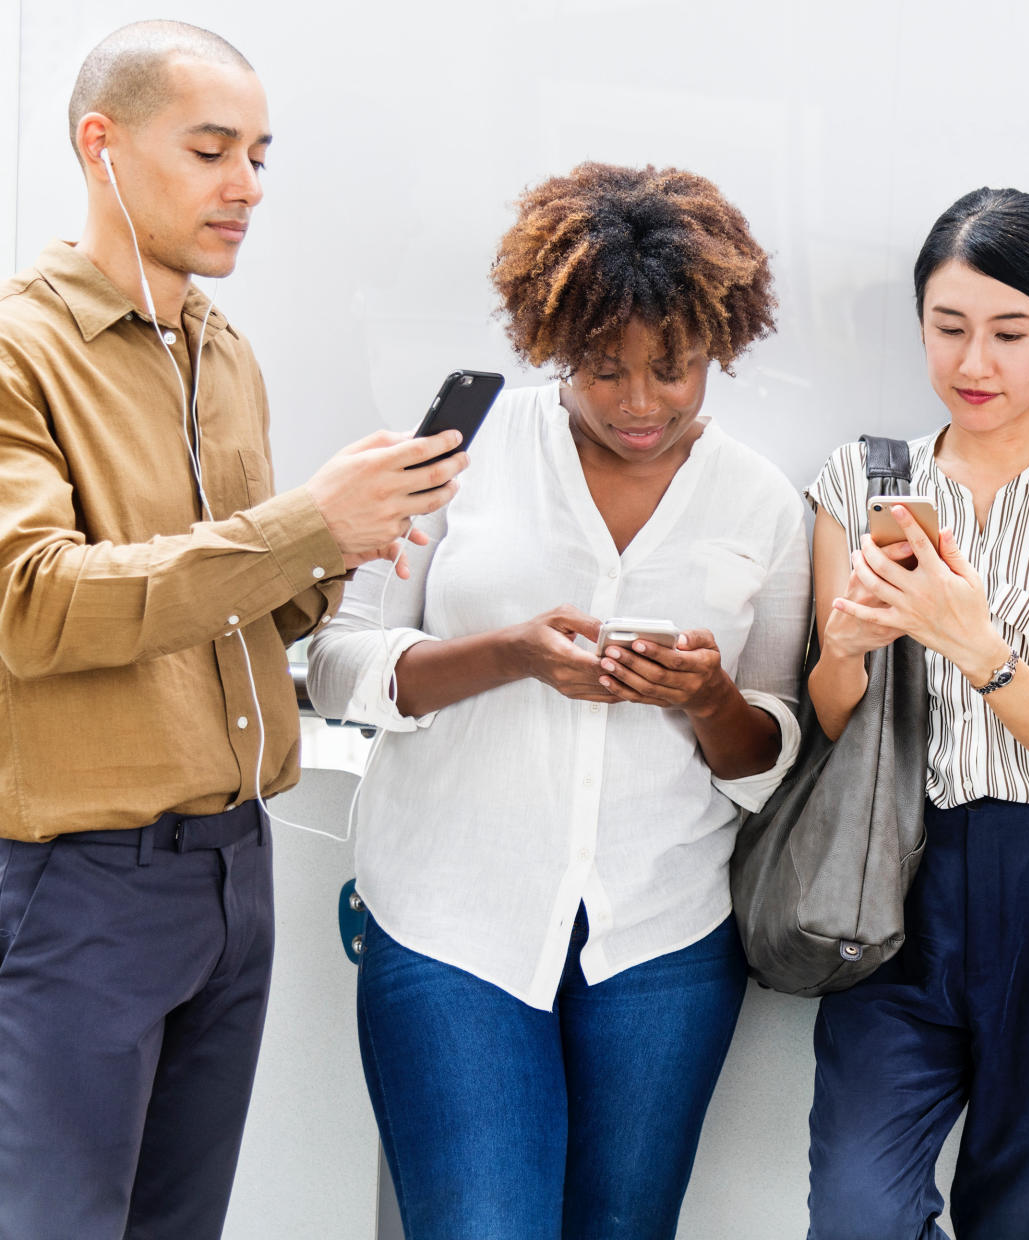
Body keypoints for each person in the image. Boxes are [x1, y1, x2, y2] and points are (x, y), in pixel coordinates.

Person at [0, 21, 466, 1239]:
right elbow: (33, 604)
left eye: (260, 154)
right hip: (74, 885)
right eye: (211, 150)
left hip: (232, 872)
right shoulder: (17, 350)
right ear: (99, 146)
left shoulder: (222, 351)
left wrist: (337, 544)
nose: (247, 186)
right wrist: (301, 523)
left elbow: (226, 614)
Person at [306, 163, 810, 1239]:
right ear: (551, 339)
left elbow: (771, 755)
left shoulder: (761, 502)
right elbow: (337, 664)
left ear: (719, 343)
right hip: (452, 923)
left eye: (672, 369)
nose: (638, 401)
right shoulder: (458, 456)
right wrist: (508, 654)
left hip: (663, 944)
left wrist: (712, 695)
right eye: (602, 365)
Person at [802, 187, 1029, 1239]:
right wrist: (844, 644)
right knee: (858, 1215)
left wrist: (969, 635)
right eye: (948, 327)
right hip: (891, 872)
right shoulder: (858, 481)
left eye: (1010, 333)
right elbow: (835, 721)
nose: (976, 363)